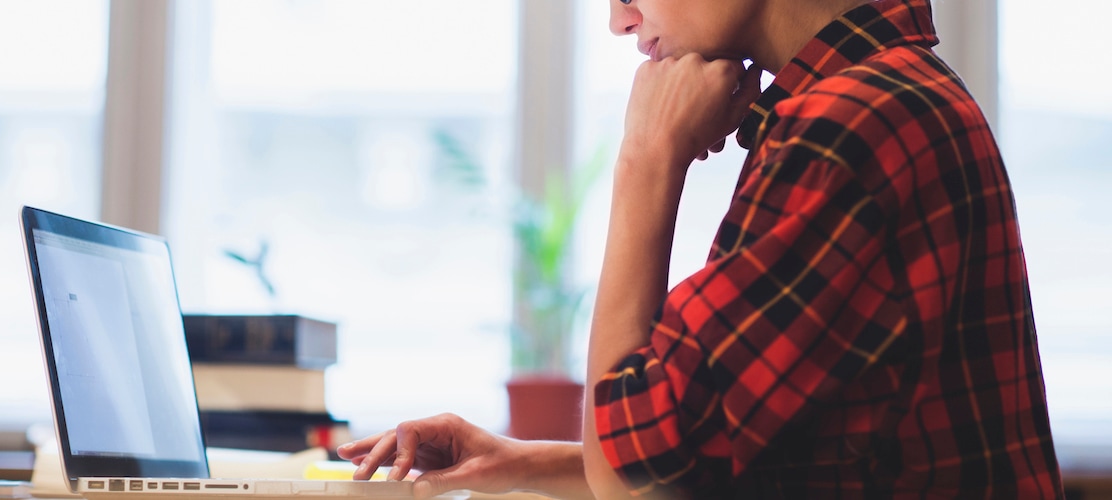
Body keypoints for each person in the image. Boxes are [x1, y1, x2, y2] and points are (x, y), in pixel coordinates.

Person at [338, 0, 1065, 497]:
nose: (620, 20)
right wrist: (514, 462)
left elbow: (638, 481)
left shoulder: (846, 132)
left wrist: (647, 162)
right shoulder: (885, 92)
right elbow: (715, 456)